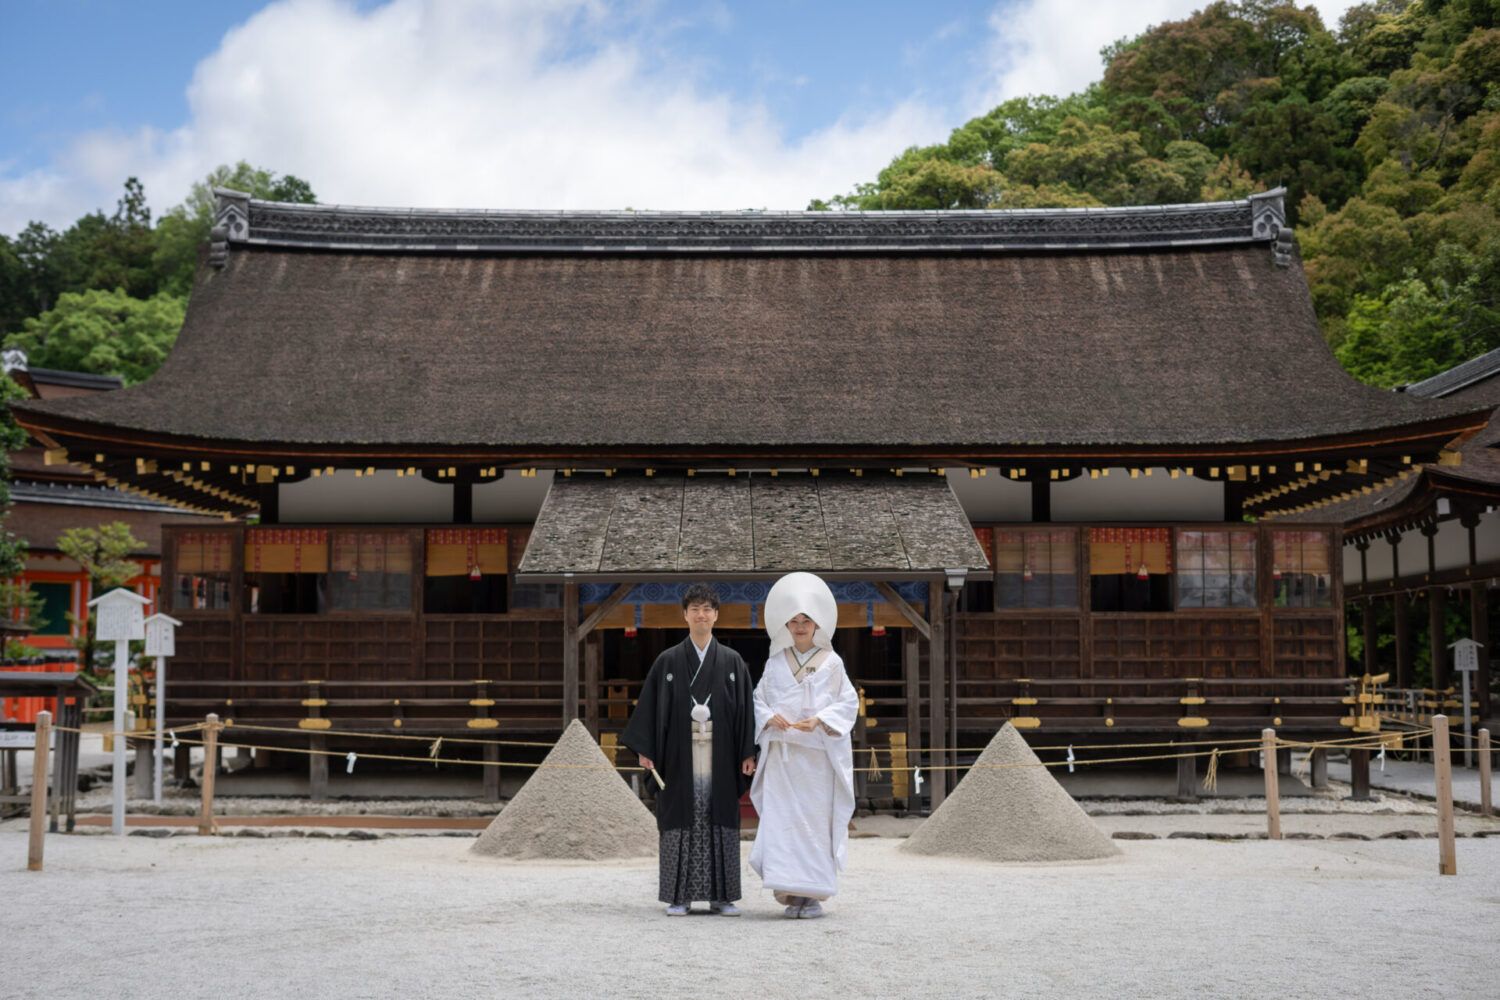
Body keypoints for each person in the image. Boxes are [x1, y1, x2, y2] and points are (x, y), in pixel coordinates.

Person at [621, 584, 757, 916]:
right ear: (684, 615)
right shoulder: (667, 661)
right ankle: (678, 897)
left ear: (716, 615)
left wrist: (747, 752)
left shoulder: (732, 662)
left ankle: (722, 897)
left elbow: (745, 711)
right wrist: (645, 749)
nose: (701, 615)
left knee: (719, 817)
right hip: (677, 756)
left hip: (721, 755)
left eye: (707, 609)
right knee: (679, 818)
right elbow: (649, 709)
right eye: (695, 609)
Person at [748, 571, 858, 919]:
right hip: (783, 759)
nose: (799, 627)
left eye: (806, 621)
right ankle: (791, 893)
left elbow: (848, 703)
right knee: (784, 824)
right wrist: (769, 718)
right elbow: (758, 699)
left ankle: (814, 896)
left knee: (814, 826)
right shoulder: (775, 663)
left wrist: (820, 720)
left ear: (816, 625)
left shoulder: (833, 663)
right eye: (794, 621)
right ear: (786, 625)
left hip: (816, 762)